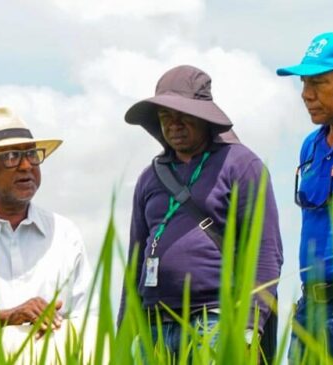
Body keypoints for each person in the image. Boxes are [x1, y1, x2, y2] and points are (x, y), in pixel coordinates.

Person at [117, 65, 283, 361]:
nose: (174, 124)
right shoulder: (150, 177)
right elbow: (134, 262)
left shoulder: (241, 165)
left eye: (184, 116)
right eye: (165, 116)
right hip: (154, 323)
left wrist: (248, 328)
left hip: (215, 319)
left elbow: (266, 252)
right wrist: (123, 334)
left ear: (206, 118)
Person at [0, 107, 93, 340]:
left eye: (32, 154)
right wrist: (8, 317)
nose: (27, 166)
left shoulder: (64, 234)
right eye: (11, 157)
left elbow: (88, 321)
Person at [277, 32, 333, 361]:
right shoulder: (310, 147)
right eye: (304, 83)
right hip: (310, 307)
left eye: (318, 82)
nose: (306, 94)